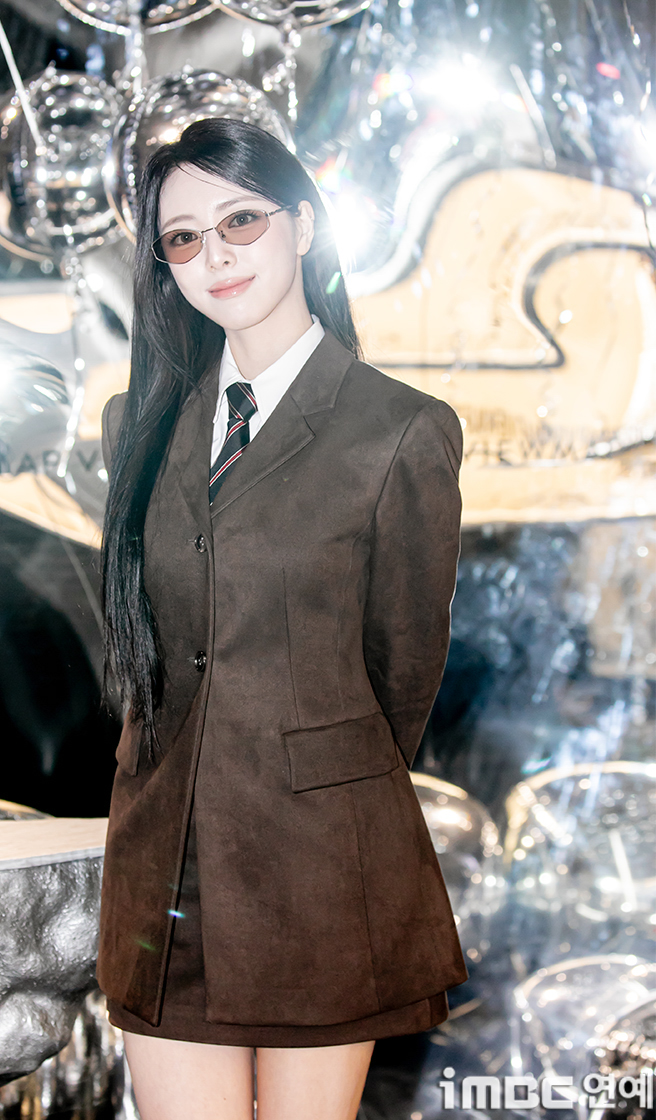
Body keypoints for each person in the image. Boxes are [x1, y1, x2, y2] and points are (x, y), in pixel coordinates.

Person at [98, 117, 468, 1120]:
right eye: (182, 238)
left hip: (320, 866)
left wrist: (307, 767)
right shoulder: (137, 427)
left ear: (303, 225)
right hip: (164, 871)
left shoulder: (399, 429)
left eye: (240, 221)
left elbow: (401, 676)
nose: (213, 255)